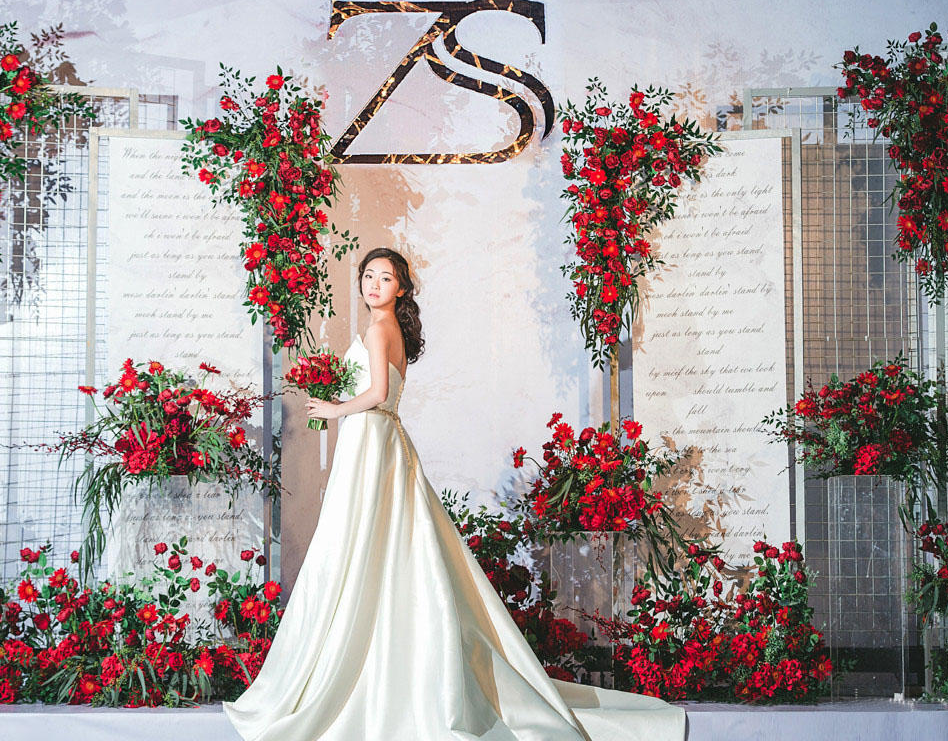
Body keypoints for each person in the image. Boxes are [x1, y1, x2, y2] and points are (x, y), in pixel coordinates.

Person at [222, 247, 686, 740]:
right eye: (368, 276)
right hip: (376, 439)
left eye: (385, 278)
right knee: (379, 545)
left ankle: (361, 666)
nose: (374, 284)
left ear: (401, 288)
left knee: (361, 544)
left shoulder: (380, 330)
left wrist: (336, 409)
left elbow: (377, 393)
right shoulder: (386, 329)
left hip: (372, 438)